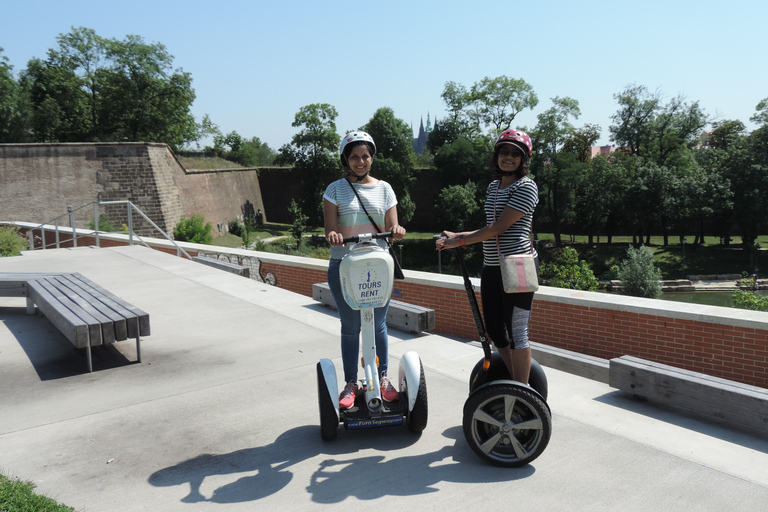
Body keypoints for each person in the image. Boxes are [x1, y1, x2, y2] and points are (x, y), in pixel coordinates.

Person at [435, 129, 538, 384]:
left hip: (518, 266)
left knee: (517, 332)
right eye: (504, 151)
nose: (509, 157)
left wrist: (457, 241)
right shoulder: (494, 186)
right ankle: (515, 379)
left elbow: (498, 228)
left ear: (524, 160)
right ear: (496, 155)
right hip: (492, 265)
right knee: (494, 328)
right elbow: (490, 227)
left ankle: (522, 391)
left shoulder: (527, 187)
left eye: (516, 153)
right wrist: (458, 234)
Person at [323, 131, 406, 409]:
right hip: (344, 265)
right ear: (346, 159)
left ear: (372, 158)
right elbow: (330, 228)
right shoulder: (334, 189)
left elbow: (392, 226)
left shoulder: (385, 189)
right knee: (351, 326)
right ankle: (351, 382)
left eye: (365, 156)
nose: (361, 161)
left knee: (379, 325)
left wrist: (396, 230)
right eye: (355, 157)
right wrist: (334, 235)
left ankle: (382, 377)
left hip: (377, 265)